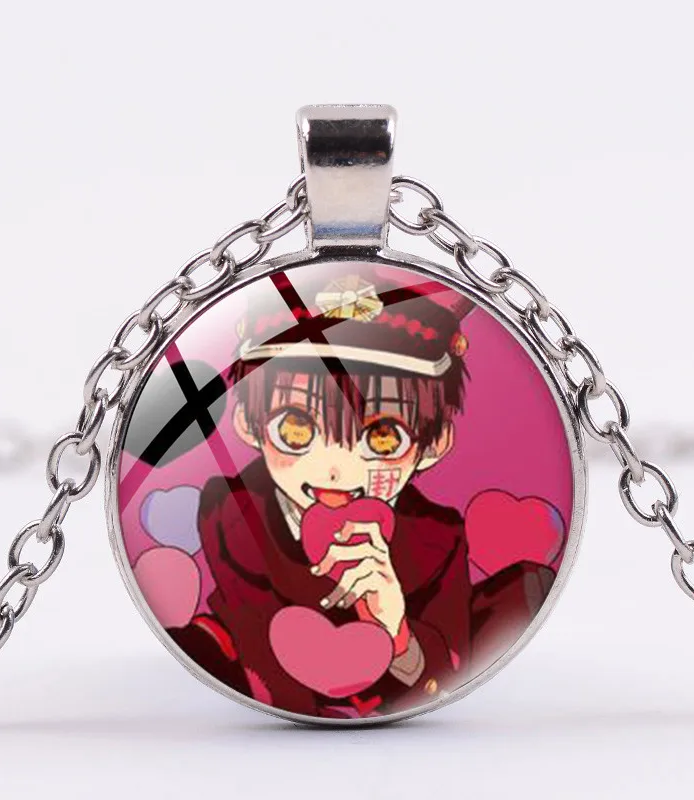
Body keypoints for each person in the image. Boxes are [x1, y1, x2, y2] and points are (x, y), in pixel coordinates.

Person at [169, 266, 555, 718]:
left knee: (522, 592)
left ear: (435, 444)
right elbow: (260, 657)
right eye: (297, 429)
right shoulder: (232, 511)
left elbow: (447, 671)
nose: (336, 469)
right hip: (263, 676)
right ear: (247, 425)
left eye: (382, 437)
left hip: (395, 693)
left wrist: (397, 631)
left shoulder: (438, 537)